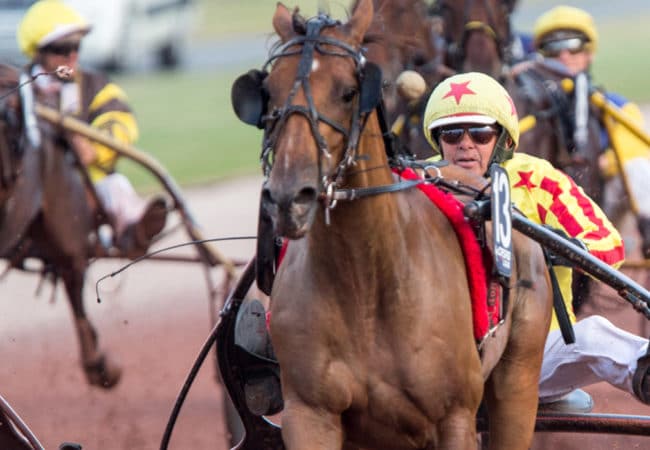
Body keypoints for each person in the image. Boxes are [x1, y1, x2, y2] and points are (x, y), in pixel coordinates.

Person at [421, 71, 650, 408]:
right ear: (437, 140)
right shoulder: (415, 184)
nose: (466, 144)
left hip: (532, 357)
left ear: (503, 140)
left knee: (594, 335)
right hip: (435, 362)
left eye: (481, 133)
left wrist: (551, 250)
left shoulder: (536, 179)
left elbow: (608, 244)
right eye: (453, 134)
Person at [16, 0, 167, 259]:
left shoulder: (95, 85)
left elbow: (120, 120)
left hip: (85, 185)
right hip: (30, 185)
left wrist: (96, 149)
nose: (72, 56)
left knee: (116, 185)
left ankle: (133, 231)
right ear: (38, 52)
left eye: (76, 47)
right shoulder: (19, 91)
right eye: (62, 49)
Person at [529, 5, 650, 259]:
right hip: (548, 202)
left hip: (600, 202)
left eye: (573, 45)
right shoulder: (529, 108)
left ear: (589, 53)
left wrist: (605, 164)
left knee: (638, 168)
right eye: (552, 48)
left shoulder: (614, 106)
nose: (564, 55)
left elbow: (636, 154)